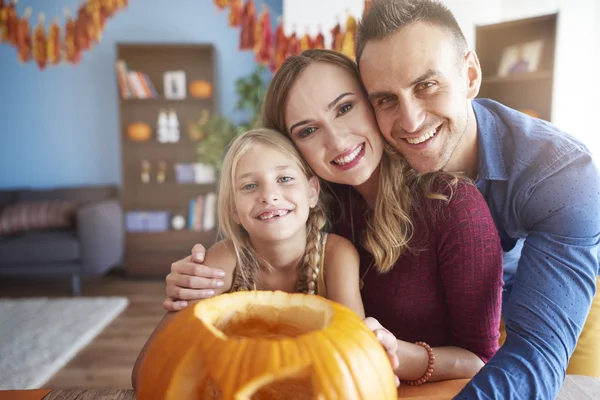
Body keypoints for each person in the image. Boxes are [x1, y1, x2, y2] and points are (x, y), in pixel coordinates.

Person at [163, 48, 505, 384]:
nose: (337, 140)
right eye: (307, 130)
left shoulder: (453, 206)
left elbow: (481, 360)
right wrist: (193, 281)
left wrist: (396, 354)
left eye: (344, 108)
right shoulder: (323, 202)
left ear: (374, 102)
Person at [353, 0, 600, 398]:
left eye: (426, 85)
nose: (410, 121)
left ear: (469, 75)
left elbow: (536, 353)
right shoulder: (373, 159)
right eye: (386, 99)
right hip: (464, 325)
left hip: (556, 297)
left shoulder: (561, 173)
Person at [131, 128, 401, 389]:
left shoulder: (336, 256)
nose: (268, 195)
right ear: (233, 209)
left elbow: (354, 356)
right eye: (249, 185)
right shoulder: (223, 262)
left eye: (284, 179)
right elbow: (145, 372)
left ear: (311, 191)